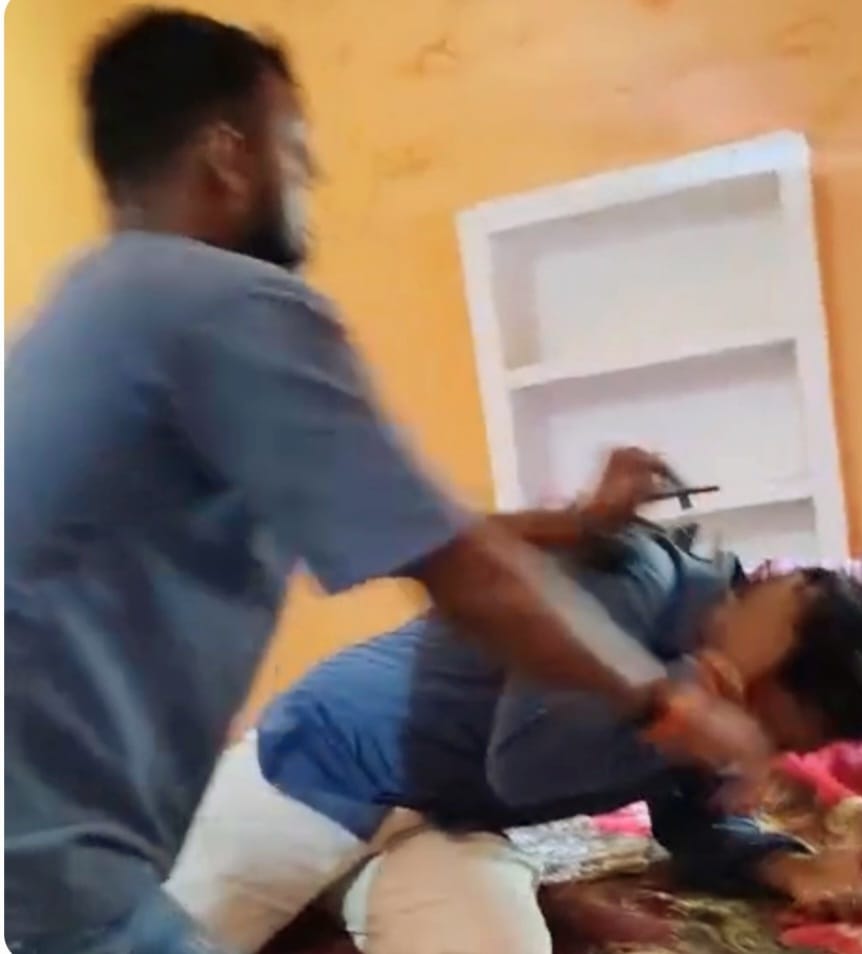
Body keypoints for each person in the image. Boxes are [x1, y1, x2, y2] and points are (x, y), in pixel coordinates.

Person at [4, 9, 770, 954]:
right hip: (60, 870)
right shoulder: (227, 301)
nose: (312, 180)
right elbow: (457, 565)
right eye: (296, 149)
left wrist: (576, 523)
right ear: (228, 154)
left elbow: (418, 523)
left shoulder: (93, 308)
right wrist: (673, 707)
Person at [166, 522, 862, 954]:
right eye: (762, 726)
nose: (753, 749)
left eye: (778, 745)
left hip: (443, 821)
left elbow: (694, 816)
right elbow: (523, 763)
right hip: (326, 760)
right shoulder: (631, 578)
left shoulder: (723, 696)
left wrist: (784, 866)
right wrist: (696, 694)